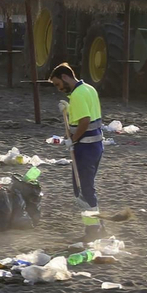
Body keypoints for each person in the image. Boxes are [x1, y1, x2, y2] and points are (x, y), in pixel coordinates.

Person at [49, 62, 103, 240]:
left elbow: (85, 121)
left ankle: (93, 230)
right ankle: (98, 226)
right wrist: (69, 109)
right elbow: (86, 114)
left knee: (83, 189)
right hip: (95, 145)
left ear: (65, 77)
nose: (59, 89)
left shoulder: (78, 94)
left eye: (58, 84)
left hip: (85, 147)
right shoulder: (89, 89)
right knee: (87, 187)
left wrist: (72, 140)